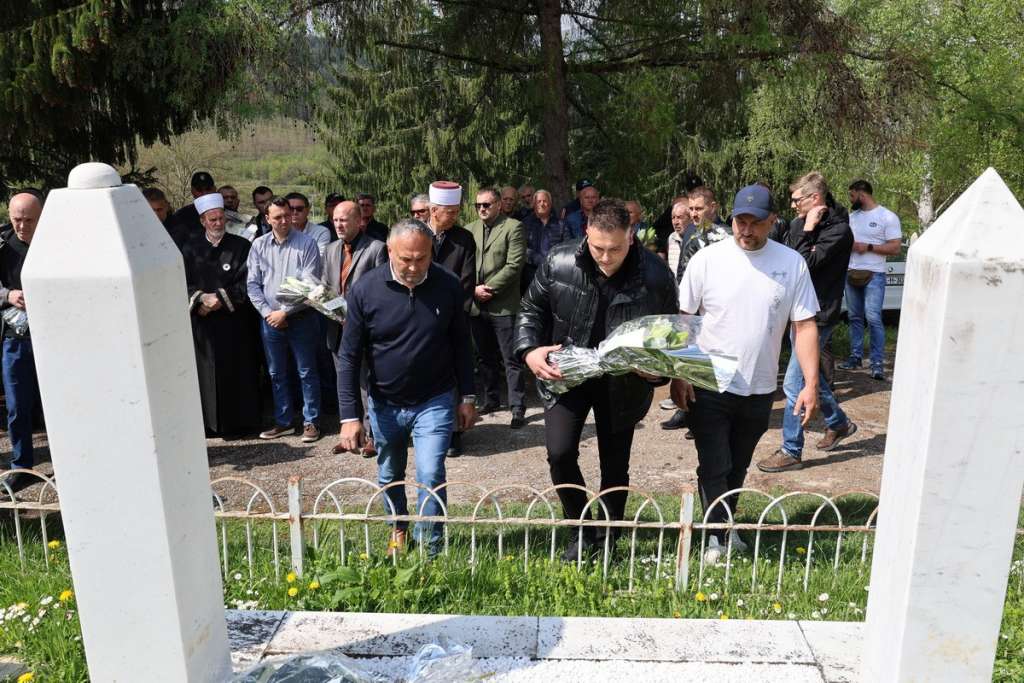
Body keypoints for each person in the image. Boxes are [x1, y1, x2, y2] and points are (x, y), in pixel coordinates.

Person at [515, 199, 677, 560]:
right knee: (559, 454)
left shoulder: (656, 275)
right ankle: (580, 528)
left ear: (631, 236)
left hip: (623, 380)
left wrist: (656, 372)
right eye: (598, 247)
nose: (605, 257)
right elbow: (530, 310)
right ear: (586, 231)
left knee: (614, 465)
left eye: (615, 249)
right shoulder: (559, 261)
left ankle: (608, 537)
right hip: (567, 374)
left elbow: (669, 336)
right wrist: (529, 351)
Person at [672, 184, 821, 564]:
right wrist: (679, 374)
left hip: (760, 385)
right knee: (715, 463)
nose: (746, 230)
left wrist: (810, 384)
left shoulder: (791, 264)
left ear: (772, 221)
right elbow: (684, 320)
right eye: (741, 221)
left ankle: (724, 525)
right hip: (708, 381)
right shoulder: (707, 260)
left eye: (756, 223)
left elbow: (804, 325)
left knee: (738, 463)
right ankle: (715, 538)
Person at [335, 219, 476, 555]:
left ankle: (431, 549)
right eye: (405, 259)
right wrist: (349, 416)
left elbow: (462, 344)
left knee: (430, 473)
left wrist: (468, 396)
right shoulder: (365, 290)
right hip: (385, 401)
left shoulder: (448, 285)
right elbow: (349, 357)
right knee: (389, 473)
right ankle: (398, 529)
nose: (414, 267)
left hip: (435, 398)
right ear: (389, 251)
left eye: (422, 258)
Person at [757, 172, 858, 474]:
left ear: (815, 198)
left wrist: (809, 229)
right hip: (794, 310)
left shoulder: (839, 231)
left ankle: (791, 449)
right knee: (810, 376)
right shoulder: (797, 224)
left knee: (793, 382)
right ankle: (839, 423)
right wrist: (805, 229)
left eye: (797, 199)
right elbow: (788, 262)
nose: (793, 205)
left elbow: (803, 264)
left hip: (819, 314)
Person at [181, 193, 262, 438]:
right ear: (203, 221)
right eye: (212, 220)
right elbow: (180, 282)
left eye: (221, 219)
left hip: (233, 322)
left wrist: (218, 299)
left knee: (237, 372)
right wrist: (200, 299)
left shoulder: (241, 246)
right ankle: (208, 425)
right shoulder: (189, 249)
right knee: (205, 374)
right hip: (202, 324)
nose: (218, 223)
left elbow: (247, 282)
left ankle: (239, 424)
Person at [246, 197, 323, 443]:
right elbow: (252, 284)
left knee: (306, 371)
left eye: (287, 215)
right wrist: (268, 313)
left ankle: (311, 421)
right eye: (277, 217)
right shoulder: (258, 246)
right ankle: (284, 421)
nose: (283, 221)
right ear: (267, 219)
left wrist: (285, 312)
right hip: (269, 319)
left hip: (301, 317)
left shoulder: (307, 244)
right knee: (276, 372)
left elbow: (310, 284)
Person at [323, 200, 388, 456]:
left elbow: (381, 291)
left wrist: (355, 317)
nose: (338, 225)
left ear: (359, 221)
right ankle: (351, 433)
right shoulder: (330, 249)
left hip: (366, 329)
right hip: (336, 328)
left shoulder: (376, 248)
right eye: (335, 220)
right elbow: (326, 286)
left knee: (367, 384)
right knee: (344, 381)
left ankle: (373, 436)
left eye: (344, 220)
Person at [467, 187, 527, 427]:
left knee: (510, 358)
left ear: (499, 205)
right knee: (484, 357)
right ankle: (491, 399)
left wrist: (488, 289)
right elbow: (464, 265)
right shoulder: (469, 229)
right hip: (476, 304)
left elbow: (514, 265)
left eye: (486, 204)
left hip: (503, 304)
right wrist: (473, 289)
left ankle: (517, 407)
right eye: (478, 205)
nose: (481, 209)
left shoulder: (513, 227)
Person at [427, 181, 476, 457]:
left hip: (453, 315)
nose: (455, 216)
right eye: (450, 211)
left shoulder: (464, 238)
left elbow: (466, 281)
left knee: (456, 373)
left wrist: (451, 313)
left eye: (457, 211)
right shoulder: (418, 234)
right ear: (434, 210)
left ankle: (455, 432)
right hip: (421, 316)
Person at [0, 192, 44, 486]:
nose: (22, 226)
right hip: (16, 339)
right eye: (17, 219)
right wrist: (8, 295)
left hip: (55, 338)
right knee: (17, 407)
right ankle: (22, 467)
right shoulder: (3, 246)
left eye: (29, 220)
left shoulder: (56, 243)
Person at [841, 179, 902, 381]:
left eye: (852, 195)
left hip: (874, 274)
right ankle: (855, 357)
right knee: (854, 317)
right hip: (851, 272)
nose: (851, 200)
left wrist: (867, 247)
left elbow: (895, 248)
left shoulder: (887, 217)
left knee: (873, 318)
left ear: (862, 194)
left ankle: (877, 364)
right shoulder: (851, 218)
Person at [659, 197, 696, 427]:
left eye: (680, 217)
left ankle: (690, 413)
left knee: (689, 355)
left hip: (692, 307)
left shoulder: (697, 239)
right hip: (675, 302)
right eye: (673, 217)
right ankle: (681, 405)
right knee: (676, 352)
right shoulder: (671, 239)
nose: (676, 221)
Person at [520, 189, 567, 295]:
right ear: (534, 204)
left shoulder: (561, 225)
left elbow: (566, 248)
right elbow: (522, 248)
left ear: (550, 204)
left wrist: (552, 263)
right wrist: (539, 260)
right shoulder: (524, 224)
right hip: (531, 275)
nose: (542, 204)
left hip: (555, 273)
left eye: (545, 201)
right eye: (539, 201)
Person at [167, 171, 218, 242]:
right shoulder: (181, 216)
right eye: (199, 190)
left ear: (214, 189)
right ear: (192, 191)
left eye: (208, 189)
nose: (204, 193)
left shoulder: (226, 213)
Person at [285, 192, 331, 256]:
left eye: (299, 209)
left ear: (308, 210)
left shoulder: (321, 232)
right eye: (291, 209)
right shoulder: (279, 232)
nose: (295, 212)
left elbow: (318, 258)